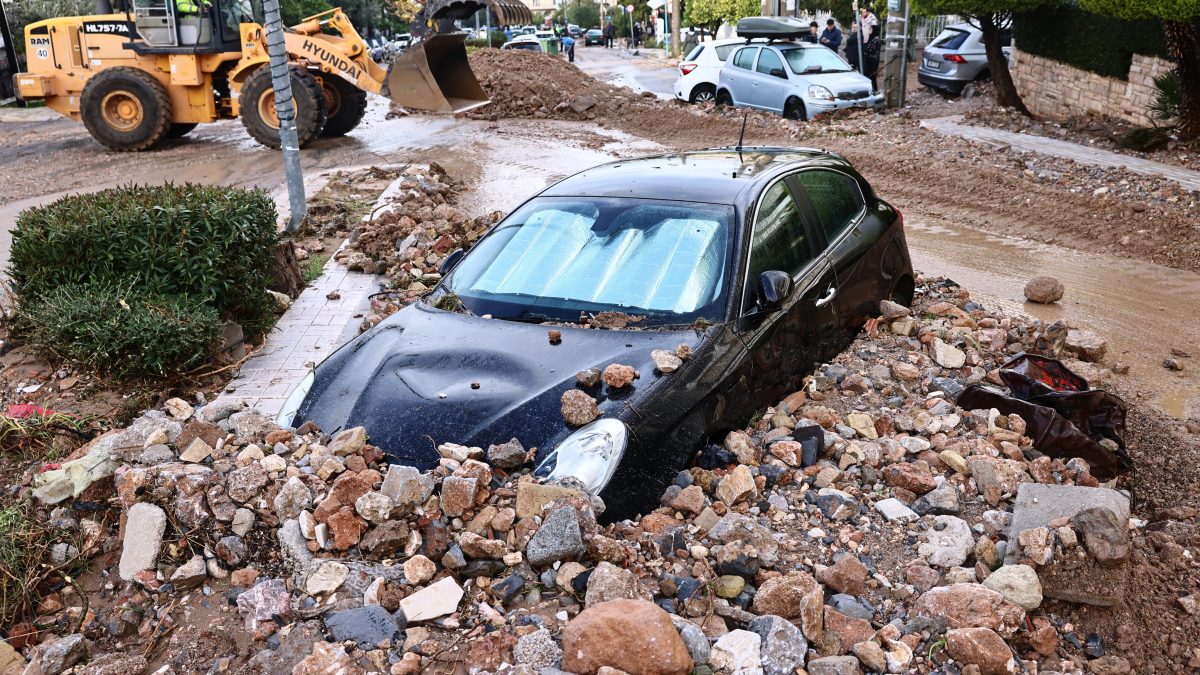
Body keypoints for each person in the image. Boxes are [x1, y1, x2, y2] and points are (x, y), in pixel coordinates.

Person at [863, 25, 881, 89]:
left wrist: (865, 49)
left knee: (872, 76)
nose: (870, 31)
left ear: (874, 30)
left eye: (871, 29)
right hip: (869, 60)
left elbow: (870, 49)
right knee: (869, 76)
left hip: (873, 61)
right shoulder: (871, 37)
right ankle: (872, 89)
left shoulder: (876, 39)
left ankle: (874, 90)